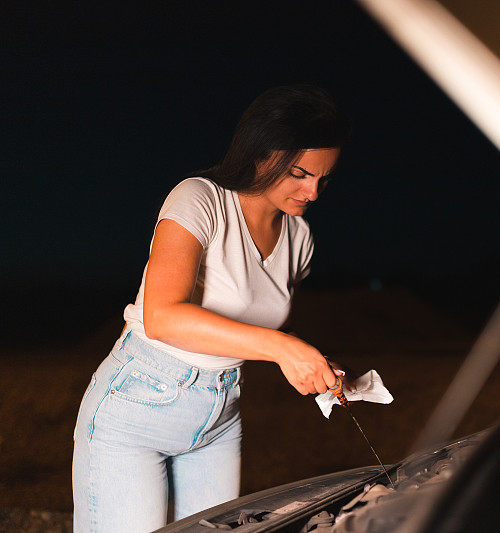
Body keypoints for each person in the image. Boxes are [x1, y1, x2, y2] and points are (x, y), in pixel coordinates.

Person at [72, 84, 352, 532]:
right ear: (263, 155)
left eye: (324, 178)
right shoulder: (200, 198)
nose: (314, 192)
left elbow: (247, 330)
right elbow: (161, 316)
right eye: (301, 173)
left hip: (220, 416)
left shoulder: (300, 240)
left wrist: (311, 364)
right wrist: (283, 348)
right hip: (138, 402)